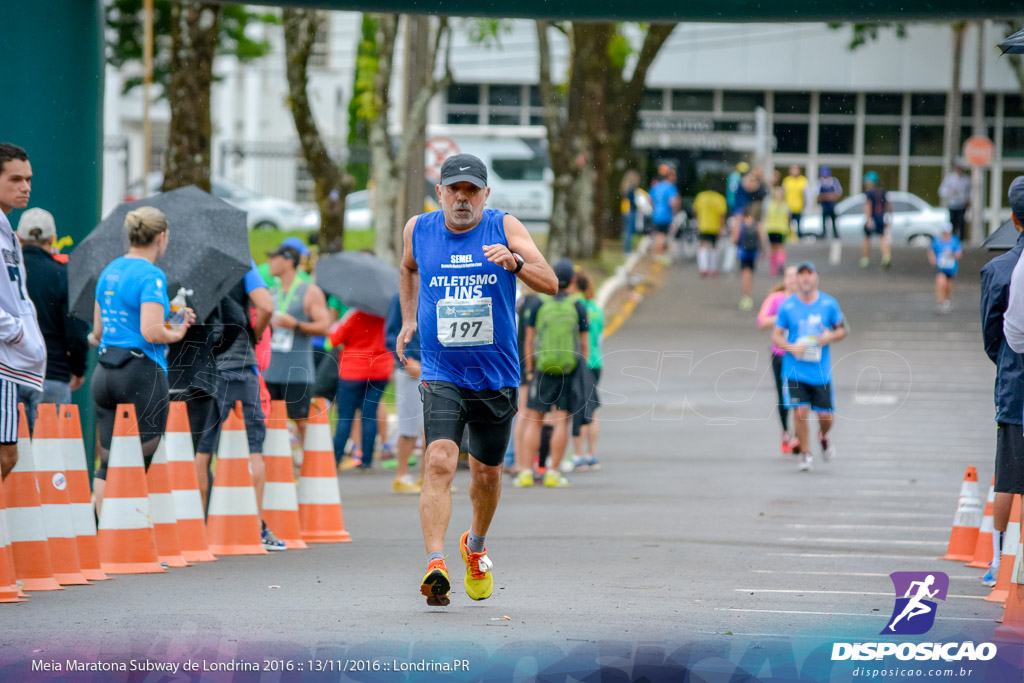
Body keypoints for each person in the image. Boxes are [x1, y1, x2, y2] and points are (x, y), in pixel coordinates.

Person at [396, 152, 557, 607]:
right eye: (454, 190)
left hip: (496, 374)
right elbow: (408, 268)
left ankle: (475, 547)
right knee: (440, 461)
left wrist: (516, 265)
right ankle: (434, 564)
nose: (462, 199)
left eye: (471, 191)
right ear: (440, 193)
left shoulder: (506, 228)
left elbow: (550, 282)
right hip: (442, 372)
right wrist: (408, 320)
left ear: (486, 194)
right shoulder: (419, 229)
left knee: (486, 475)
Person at [90, 207, 195, 513]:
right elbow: (151, 331)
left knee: (107, 463)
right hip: (141, 372)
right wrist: (177, 331)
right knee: (140, 459)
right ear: (161, 237)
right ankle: (129, 544)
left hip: (105, 371)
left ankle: (105, 536)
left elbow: (98, 331)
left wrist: (167, 319)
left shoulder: (109, 270)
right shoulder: (152, 275)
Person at [194, 260, 281, 550]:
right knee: (253, 446)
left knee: (203, 448)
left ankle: (198, 526)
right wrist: (254, 335)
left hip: (205, 368)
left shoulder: (195, 265)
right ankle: (255, 525)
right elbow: (266, 306)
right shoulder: (242, 264)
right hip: (241, 366)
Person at [981, 178, 1024, 587]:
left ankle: (999, 560)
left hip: (1015, 384)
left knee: (1009, 474)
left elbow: (991, 337)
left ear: (1013, 219)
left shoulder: (998, 269)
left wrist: (1009, 362)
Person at [15, 208, 87, 432]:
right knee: (50, 456)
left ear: (18, 237)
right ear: (53, 238)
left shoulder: (9, 273)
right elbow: (76, 331)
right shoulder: (63, 274)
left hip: (10, 374)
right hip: (52, 375)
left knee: (11, 456)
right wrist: (78, 368)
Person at [519, 258, 588, 487]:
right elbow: (584, 344)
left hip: (542, 368)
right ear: (573, 281)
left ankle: (527, 472)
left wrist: (530, 371)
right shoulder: (578, 306)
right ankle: (553, 472)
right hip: (567, 370)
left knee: (534, 420)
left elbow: (529, 341)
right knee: (561, 420)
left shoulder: (538, 304)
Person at [772, 261, 847, 472]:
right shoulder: (788, 306)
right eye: (801, 275)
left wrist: (828, 336)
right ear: (796, 280)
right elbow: (776, 335)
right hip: (794, 369)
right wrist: (791, 347)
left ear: (816, 278)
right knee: (800, 412)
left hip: (820, 371)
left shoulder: (828, 304)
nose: (805, 278)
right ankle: (805, 453)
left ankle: (823, 435)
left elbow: (842, 330)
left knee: (825, 416)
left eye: (809, 274)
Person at [0, 143, 45, 479]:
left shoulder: (10, 234)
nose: (25, 187)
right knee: (6, 456)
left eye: (28, 179)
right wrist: (14, 331)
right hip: (5, 359)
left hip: (13, 362)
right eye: (16, 179)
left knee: (8, 457)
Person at [263, 243, 331, 444]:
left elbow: (325, 326)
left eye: (273, 258)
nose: (269, 263)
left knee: (301, 419)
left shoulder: (309, 291)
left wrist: (296, 325)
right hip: (271, 369)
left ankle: (312, 466)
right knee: (270, 420)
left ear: (287, 261)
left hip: (297, 370)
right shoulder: (271, 291)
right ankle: (276, 467)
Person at [330, 306, 394, 471]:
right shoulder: (385, 315)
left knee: (345, 416)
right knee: (369, 415)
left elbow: (335, 339)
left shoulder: (354, 315)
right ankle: (366, 460)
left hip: (353, 370)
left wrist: (334, 325)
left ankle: (335, 458)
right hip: (379, 370)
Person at [385, 292, 422, 493]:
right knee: (408, 425)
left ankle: (429, 477)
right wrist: (406, 358)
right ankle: (401, 475)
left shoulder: (440, 286)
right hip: (411, 367)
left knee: (434, 427)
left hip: (438, 365)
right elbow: (390, 334)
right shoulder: (401, 296)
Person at [758, 267, 798, 455]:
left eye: (796, 277)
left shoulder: (805, 301)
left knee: (800, 396)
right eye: (789, 276)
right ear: (785, 279)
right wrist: (782, 318)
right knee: (783, 396)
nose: (792, 280)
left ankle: (799, 435)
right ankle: (785, 432)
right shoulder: (776, 299)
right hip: (780, 355)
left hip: (800, 356)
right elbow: (762, 321)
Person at [568, 271, 603, 472]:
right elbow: (600, 337)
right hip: (597, 362)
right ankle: (592, 454)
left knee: (578, 410)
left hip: (580, 362)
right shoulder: (596, 308)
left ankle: (578, 455)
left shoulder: (575, 307)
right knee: (592, 409)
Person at [733, 203, 765, 311]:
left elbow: (735, 240)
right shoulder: (756, 224)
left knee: (745, 275)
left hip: (743, 252)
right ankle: (749, 295)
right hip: (753, 252)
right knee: (750, 274)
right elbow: (762, 239)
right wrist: (762, 252)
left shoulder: (740, 225)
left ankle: (746, 297)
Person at [693, 181, 727, 277]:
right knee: (714, 247)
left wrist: (696, 221)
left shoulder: (701, 196)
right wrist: (722, 227)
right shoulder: (720, 198)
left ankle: (703, 267)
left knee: (703, 246)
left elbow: (696, 211)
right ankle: (713, 268)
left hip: (703, 225)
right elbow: (721, 215)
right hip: (715, 226)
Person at [927, 225, 962, 314]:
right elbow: (931, 251)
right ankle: (940, 302)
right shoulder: (937, 241)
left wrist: (951, 254)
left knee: (948, 286)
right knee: (940, 282)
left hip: (951, 268)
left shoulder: (954, 241)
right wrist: (932, 259)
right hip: (941, 267)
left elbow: (959, 254)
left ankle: (946, 300)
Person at [861, 171, 892, 269]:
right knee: (882, 238)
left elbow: (868, 206)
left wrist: (868, 219)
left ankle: (865, 258)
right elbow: (889, 206)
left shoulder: (869, 193)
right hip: (881, 218)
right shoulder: (882, 191)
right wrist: (889, 216)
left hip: (873, 218)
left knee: (867, 238)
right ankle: (886, 257)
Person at [649, 164, 680, 261]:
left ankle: (656, 253)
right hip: (666, 215)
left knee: (657, 234)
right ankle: (659, 254)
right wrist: (675, 213)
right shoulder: (671, 187)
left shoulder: (657, 186)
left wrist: (655, 207)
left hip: (656, 213)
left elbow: (650, 198)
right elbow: (673, 203)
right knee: (662, 234)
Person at [815, 167, 844, 264]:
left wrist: (826, 196)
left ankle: (835, 234)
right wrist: (828, 196)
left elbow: (837, 193)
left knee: (834, 221)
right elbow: (817, 196)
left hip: (832, 206)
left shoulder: (834, 181)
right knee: (824, 221)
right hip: (825, 207)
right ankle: (824, 234)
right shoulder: (819, 182)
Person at [938, 164, 971, 241]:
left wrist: (968, 200)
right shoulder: (950, 178)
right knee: (952, 223)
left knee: (961, 222)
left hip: (961, 205)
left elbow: (970, 192)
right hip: (952, 204)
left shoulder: (966, 180)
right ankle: (952, 238)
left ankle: (961, 239)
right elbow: (941, 190)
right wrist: (950, 192)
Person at [764, 186, 791, 276]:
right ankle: (780, 263)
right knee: (781, 248)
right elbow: (788, 218)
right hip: (781, 229)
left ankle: (773, 269)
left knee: (773, 249)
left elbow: (766, 217)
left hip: (771, 228)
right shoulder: (785, 205)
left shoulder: (770, 204)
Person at [781, 165, 808, 239]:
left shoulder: (803, 180)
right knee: (788, 223)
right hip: (789, 207)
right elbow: (782, 193)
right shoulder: (787, 180)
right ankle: (788, 236)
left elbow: (806, 195)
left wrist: (805, 206)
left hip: (799, 206)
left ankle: (798, 237)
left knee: (799, 224)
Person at [620, 169, 641, 255]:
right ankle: (627, 250)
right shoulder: (632, 189)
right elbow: (634, 201)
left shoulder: (625, 188)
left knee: (626, 230)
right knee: (629, 231)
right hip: (630, 210)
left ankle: (626, 249)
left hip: (625, 209)